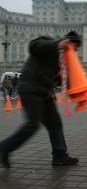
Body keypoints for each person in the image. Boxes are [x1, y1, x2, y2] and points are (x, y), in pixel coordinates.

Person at [0, 31, 81, 169]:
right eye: (75, 46)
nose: (76, 50)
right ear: (68, 42)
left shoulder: (63, 60)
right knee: (32, 125)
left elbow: (59, 80)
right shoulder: (48, 43)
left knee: (55, 123)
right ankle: (3, 148)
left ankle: (60, 156)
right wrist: (57, 44)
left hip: (44, 93)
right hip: (30, 89)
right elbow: (33, 46)